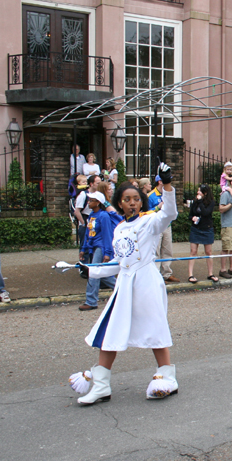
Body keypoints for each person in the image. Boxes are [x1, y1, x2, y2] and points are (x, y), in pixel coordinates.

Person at [70, 163, 179, 405]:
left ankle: (168, 378)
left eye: (136, 199)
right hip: (125, 285)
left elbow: (170, 213)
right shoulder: (119, 228)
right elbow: (120, 263)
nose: (132, 203)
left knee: (155, 330)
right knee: (111, 331)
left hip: (147, 283)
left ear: (141, 202)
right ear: (120, 203)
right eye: (127, 199)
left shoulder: (150, 222)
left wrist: (167, 184)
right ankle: (101, 386)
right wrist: (90, 270)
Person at [78, 192, 117, 311]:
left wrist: (107, 253)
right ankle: (124, 290)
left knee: (93, 272)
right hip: (93, 247)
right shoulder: (91, 215)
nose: (89, 202)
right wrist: (83, 249)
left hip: (101, 247)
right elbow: (88, 234)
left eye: (91, 200)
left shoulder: (104, 216)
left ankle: (91, 301)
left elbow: (107, 235)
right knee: (103, 275)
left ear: (98, 202)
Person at [148, 175, 179, 283]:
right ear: (160, 182)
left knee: (167, 250)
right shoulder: (151, 195)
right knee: (156, 251)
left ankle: (166, 273)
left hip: (167, 226)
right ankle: (156, 275)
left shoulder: (168, 193)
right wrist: (158, 207)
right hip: (157, 227)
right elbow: (146, 213)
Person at [187, 184, 218, 283]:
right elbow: (190, 214)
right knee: (193, 251)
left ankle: (210, 273)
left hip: (207, 229)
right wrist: (193, 218)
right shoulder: (195, 202)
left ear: (205, 193)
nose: (197, 193)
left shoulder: (211, 202)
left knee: (208, 252)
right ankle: (190, 275)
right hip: (196, 228)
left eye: (200, 191)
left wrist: (200, 201)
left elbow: (205, 213)